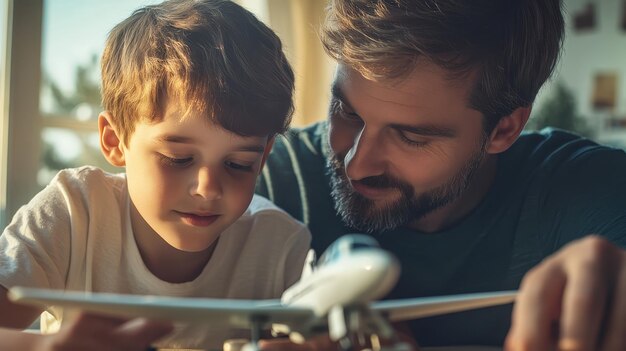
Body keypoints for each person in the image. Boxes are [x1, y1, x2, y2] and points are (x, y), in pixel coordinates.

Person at [256, 0, 626, 349]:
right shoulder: (256, 177)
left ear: (503, 130)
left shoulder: (588, 188)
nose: (357, 164)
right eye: (347, 111)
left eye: (411, 136)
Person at [0, 0, 311, 350]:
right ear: (115, 140)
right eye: (177, 159)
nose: (208, 189)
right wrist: (44, 347)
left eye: (238, 164)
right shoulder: (74, 212)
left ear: (264, 156)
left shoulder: (281, 248)